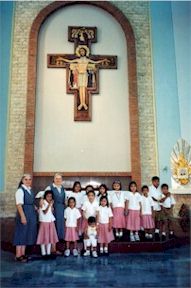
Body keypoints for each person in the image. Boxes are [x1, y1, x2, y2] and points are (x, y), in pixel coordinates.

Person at [60, 45, 109, 111]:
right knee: (80, 89)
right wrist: (62, 59)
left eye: (83, 51)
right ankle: (82, 103)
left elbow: (95, 62)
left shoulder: (87, 60)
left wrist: (103, 60)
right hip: (80, 75)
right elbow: (69, 61)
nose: (82, 52)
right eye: (80, 51)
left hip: (85, 75)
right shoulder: (78, 60)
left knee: (84, 89)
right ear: (79, 53)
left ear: (85, 52)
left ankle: (84, 103)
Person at [13, 174, 37, 262]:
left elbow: (30, 202)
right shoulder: (20, 191)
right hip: (24, 213)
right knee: (21, 233)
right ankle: (18, 255)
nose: (28, 181)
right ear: (22, 180)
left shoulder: (30, 190)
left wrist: (34, 207)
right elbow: (19, 205)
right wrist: (23, 216)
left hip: (30, 213)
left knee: (26, 234)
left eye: (29, 179)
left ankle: (23, 254)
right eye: (26, 179)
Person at [45, 173, 65, 253]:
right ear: (54, 179)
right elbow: (44, 198)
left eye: (60, 179)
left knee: (59, 227)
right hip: (53, 209)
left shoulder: (62, 188)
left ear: (62, 180)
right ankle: (51, 249)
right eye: (56, 178)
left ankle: (56, 248)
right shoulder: (50, 187)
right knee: (53, 227)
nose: (58, 180)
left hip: (61, 209)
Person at [36, 190, 58, 259]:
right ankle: (43, 253)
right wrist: (49, 205)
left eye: (51, 196)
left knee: (49, 238)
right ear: (45, 196)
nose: (49, 198)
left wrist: (51, 206)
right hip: (44, 222)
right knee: (43, 238)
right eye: (48, 196)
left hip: (50, 221)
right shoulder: (43, 202)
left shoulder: (50, 203)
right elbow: (45, 212)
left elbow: (51, 212)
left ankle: (48, 253)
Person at [149, 176, 162, 241]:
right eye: (156, 181)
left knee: (158, 221)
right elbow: (151, 198)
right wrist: (158, 200)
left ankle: (157, 233)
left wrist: (161, 200)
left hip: (159, 207)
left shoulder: (160, 189)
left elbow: (162, 197)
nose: (157, 183)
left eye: (158, 181)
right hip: (153, 208)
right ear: (153, 182)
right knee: (152, 221)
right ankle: (151, 234)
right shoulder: (149, 188)